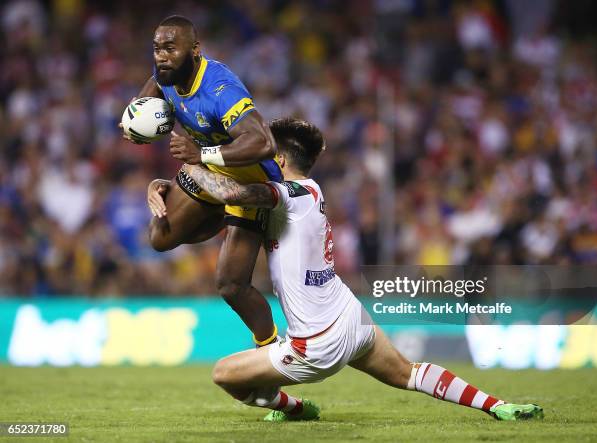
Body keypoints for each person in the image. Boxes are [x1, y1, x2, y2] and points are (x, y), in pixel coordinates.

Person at [150, 117, 544, 422]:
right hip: (347, 315)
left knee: (224, 374)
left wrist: (196, 160)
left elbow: (229, 193)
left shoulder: (291, 194)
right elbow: (214, 215)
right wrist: (162, 185)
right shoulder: (309, 193)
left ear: (281, 160)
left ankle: (293, 408)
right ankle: (499, 406)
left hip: (315, 344)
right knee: (409, 373)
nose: (260, 157)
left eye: (268, 153)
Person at [125, 15, 279, 346]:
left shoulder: (220, 90)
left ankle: (270, 351)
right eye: (156, 49)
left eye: (170, 48)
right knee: (159, 237)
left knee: (231, 286)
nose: (162, 55)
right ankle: (218, 214)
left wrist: (203, 154)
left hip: (248, 184)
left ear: (195, 50)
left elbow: (264, 143)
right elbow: (142, 106)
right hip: (207, 171)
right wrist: (137, 125)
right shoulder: (166, 73)